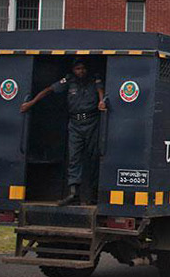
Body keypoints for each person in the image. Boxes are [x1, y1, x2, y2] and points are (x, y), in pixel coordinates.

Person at [20, 59, 107, 205]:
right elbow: (49, 89)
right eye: (78, 68)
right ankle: (74, 194)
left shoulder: (94, 79)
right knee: (74, 158)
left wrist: (101, 101)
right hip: (75, 123)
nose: (81, 71)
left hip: (91, 121)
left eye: (83, 68)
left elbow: (100, 90)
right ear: (73, 70)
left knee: (93, 157)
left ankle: (93, 194)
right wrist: (31, 103)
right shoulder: (69, 81)